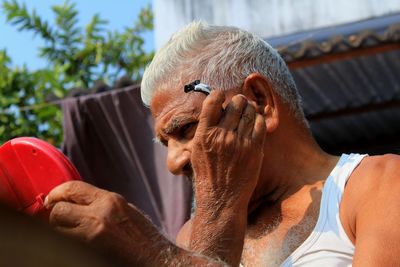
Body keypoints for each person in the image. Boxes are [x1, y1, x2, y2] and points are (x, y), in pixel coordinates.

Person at [45, 21, 400, 266]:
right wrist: (219, 210)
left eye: (184, 129)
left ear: (260, 100)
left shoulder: (378, 186)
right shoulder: (190, 236)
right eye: (164, 142)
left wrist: (158, 257)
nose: (173, 162)